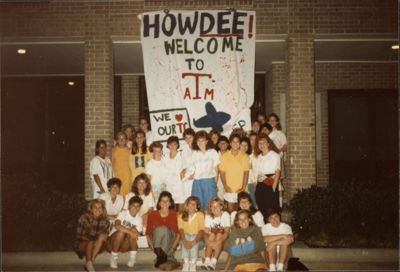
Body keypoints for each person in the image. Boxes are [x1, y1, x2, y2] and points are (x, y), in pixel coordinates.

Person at [146, 191, 180, 269]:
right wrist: (154, 249)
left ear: (170, 203)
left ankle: (163, 258)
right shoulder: (152, 214)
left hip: (171, 242)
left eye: (167, 201)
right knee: (160, 229)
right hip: (157, 245)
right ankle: (163, 257)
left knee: (163, 229)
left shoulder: (174, 214)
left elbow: (178, 235)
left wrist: (172, 249)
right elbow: (148, 234)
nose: (164, 203)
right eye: (162, 201)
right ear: (159, 202)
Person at [73, 199, 110, 272]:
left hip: (96, 246)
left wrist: (104, 238)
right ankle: (90, 266)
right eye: (95, 207)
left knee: (103, 236)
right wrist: (92, 240)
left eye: (100, 208)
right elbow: (79, 236)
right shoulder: (84, 218)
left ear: (103, 209)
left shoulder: (105, 222)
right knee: (90, 242)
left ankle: (90, 262)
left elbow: (102, 239)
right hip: (82, 244)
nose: (97, 209)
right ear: (91, 209)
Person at [108, 196, 143, 269]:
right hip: (113, 242)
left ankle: (132, 258)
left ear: (140, 208)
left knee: (134, 231)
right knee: (121, 232)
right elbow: (117, 226)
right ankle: (114, 257)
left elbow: (136, 235)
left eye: (138, 206)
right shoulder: (123, 213)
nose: (135, 208)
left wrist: (132, 232)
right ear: (129, 206)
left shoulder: (139, 219)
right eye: (133, 205)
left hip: (125, 244)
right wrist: (130, 232)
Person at [219, 133, 250, 212]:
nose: (235, 144)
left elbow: (246, 173)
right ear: (230, 143)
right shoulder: (224, 156)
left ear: (239, 143)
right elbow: (222, 173)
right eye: (233, 142)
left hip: (241, 189)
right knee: (231, 212)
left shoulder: (245, 156)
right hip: (230, 189)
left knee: (242, 213)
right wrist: (225, 186)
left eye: (237, 142)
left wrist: (243, 187)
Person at [190, 130, 220, 210]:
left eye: (202, 140)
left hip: (209, 182)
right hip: (197, 183)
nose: (200, 143)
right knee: (198, 206)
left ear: (207, 141)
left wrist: (215, 184)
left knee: (210, 206)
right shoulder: (194, 153)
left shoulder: (213, 152)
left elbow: (216, 170)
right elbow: (191, 169)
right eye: (198, 141)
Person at [254, 134, 281, 218]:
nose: (262, 145)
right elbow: (257, 173)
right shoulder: (258, 157)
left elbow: (277, 172)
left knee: (272, 209)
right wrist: (256, 186)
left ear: (268, 143)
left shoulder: (275, 155)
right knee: (262, 208)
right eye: (259, 143)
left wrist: (273, 188)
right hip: (260, 185)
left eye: (264, 142)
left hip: (271, 184)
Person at [267, 113, 288, 209]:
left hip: (277, 160)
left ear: (277, 122)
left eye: (274, 120)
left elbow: (285, 147)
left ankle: (279, 204)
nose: (272, 122)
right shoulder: (266, 133)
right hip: (267, 161)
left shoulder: (280, 133)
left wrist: (277, 150)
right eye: (270, 120)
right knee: (268, 181)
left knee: (278, 182)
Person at [203, 198, 230, 270]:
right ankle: (207, 261)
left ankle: (213, 262)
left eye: (217, 206)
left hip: (223, 238)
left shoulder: (225, 214)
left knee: (219, 235)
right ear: (210, 208)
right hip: (211, 238)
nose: (215, 208)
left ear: (221, 207)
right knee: (211, 235)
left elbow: (227, 232)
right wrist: (207, 241)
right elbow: (205, 232)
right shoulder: (208, 215)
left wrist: (218, 242)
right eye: (213, 206)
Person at [178, 196, 205, 271]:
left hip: (198, 241)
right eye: (190, 204)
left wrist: (194, 241)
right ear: (186, 205)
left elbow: (201, 230)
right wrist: (184, 241)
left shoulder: (200, 215)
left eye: (194, 204)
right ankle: (186, 262)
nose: (192, 206)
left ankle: (193, 263)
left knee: (193, 236)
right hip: (184, 240)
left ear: (197, 206)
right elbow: (181, 230)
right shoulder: (181, 215)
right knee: (187, 235)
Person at [163, 136, 185, 210]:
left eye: (175, 144)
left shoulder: (181, 155)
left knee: (181, 204)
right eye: (170, 144)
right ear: (168, 145)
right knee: (171, 206)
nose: (172, 146)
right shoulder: (165, 156)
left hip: (180, 185)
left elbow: (187, 166)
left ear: (177, 145)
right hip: (169, 185)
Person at [181, 128, 195, 201]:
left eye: (190, 137)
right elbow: (183, 165)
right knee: (188, 200)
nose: (188, 139)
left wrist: (195, 175)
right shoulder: (184, 151)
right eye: (186, 138)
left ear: (194, 137)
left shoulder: (198, 148)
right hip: (187, 179)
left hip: (197, 178)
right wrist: (183, 172)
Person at [216, 135, 230, 200]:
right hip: (218, 181)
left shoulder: (232, 154)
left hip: (230, 180)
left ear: (228, 144)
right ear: (218, 145)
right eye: (221, 143)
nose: (223, 144)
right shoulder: (215, 155)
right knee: (220, 199)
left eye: (224, 143)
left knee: (229, 200)